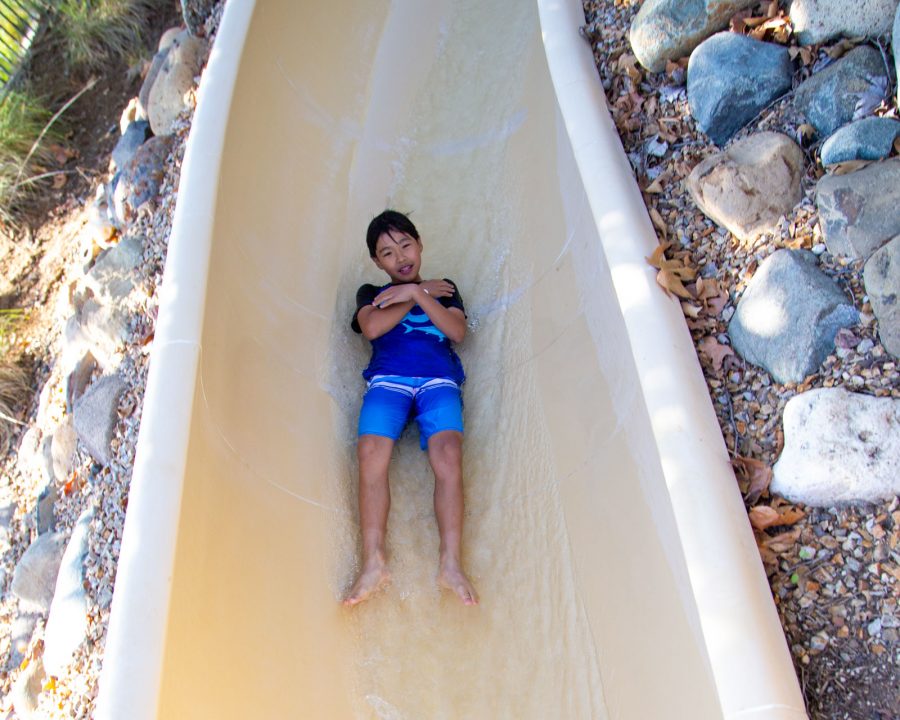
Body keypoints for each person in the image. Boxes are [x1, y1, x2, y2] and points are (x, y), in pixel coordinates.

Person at [343, 210, 478, 607]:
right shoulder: (370, 292)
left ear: (419, 244)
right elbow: (371, 327)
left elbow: (456, 332)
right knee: (370, 452)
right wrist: (412, 293)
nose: (400, 257)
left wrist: (418, 293)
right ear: (376, 262)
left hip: (439, 380)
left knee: (449, 454)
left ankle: (451, 563)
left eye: (405, 245)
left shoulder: (445, 289)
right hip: (389, 381)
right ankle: (373, 562)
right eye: (387, 252)